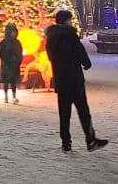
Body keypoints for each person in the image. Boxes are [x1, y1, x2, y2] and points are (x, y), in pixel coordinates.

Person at [45, 10, 108, 153]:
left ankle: (66, 143)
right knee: (83, 111)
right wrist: (86, 63)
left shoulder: (50, 37)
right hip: (74, 79)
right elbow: (79, 51)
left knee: (64, 113)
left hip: (60, 79)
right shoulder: (69, 34)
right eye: (69, 19)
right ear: (66, 20)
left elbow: (51, 56)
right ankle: (91, 140)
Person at [0, 23, 23, 104]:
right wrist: (6, 60)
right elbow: (1, 53)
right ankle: (5, 96)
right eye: (13, 32)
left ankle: (14, 96)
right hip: (6, 64)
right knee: (6, 81)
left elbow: (20, 52)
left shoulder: (17, 42)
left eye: (15, 32)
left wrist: (18, 61)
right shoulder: (3, 42)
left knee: (13, 82)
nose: (14, 33)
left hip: (14, 64)